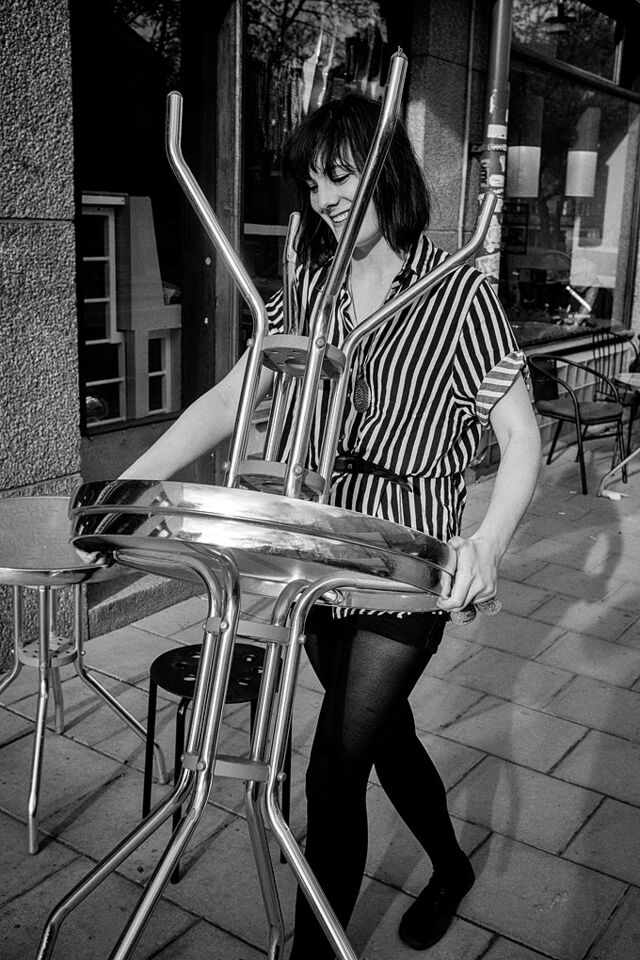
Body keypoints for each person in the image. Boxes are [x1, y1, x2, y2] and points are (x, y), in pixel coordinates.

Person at [120, 94, 541, 956]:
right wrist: (133, 483)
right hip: (317, 551)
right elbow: (236, 396)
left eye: (341, 176)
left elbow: (521, 436)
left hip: (404, 559)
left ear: (388, 171)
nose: (325, 199)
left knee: (333, 768)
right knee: (386, 737)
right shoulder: (311, 284)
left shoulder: (458, 290)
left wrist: (488, 543)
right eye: (312, 185)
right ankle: (452, 866)